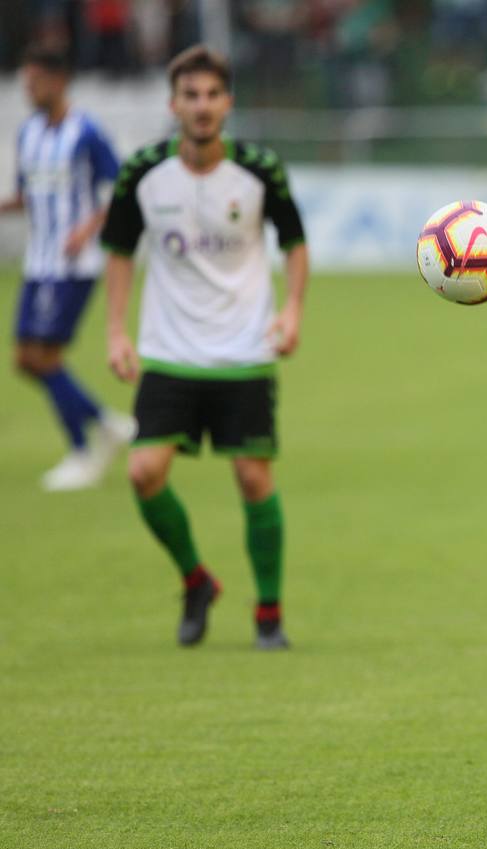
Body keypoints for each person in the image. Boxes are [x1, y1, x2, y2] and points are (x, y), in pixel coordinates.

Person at [100, 45, 308, 648]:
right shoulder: (141, 171)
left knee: (252, 479)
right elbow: (117, 251)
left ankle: (269, 614)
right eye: (190, 96)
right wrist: (116, 330)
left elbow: (295, 244)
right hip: (169, 349)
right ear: (174, 104)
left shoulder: (259, 169)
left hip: (244, 347)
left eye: (212, 95)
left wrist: (292, 310)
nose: (202, 106)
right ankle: (196, 579)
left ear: (228, 103)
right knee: (143, 472)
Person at [1, 46, 134, 491]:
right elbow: (27, 195)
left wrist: (87, 227)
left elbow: (120, 188)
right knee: (26, 359)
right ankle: (106, 423)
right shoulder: (28, 133)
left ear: (59, 81)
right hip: (39, 262)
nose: (29, 90)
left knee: (44, 357)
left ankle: (82, 450)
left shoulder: (87, 132)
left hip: (74, 264)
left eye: (34, 82)